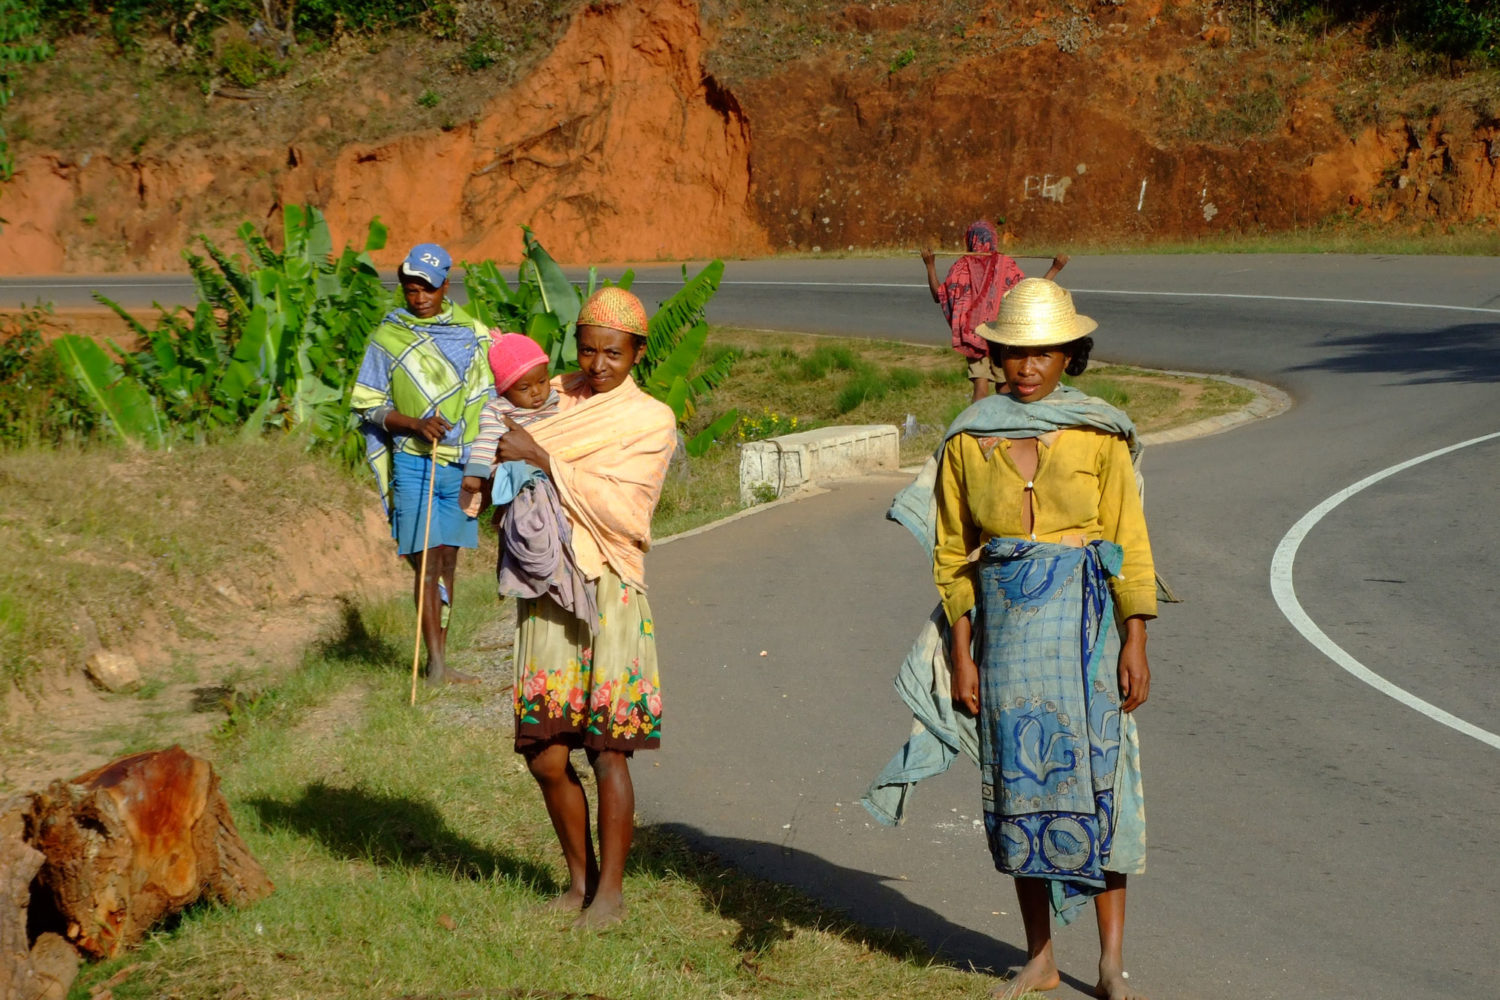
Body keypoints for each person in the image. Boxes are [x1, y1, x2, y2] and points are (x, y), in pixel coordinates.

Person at [873, 278, 1155, 1000]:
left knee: (1104, 789)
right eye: (1013, 353)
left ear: (1070, 355)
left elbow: (1130, 539)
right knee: (1020, 793)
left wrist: (1136, 640)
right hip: (1007, 644)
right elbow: (951, 553)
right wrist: (963, 654)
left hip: (1089, 636)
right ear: (996, 354)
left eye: (1043, 353)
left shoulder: (1101, 433)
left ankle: (1111, 962)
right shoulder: (969, 439)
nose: (1026, 368)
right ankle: (1040, 958)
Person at [492, 286, 676, 929]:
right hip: (548, 587)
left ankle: (611, 896)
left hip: (610, 586)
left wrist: (543, 457)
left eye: (615, 354)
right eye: (589, 350)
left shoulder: (651, 420)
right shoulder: (554, 397)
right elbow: (496, 436)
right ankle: (579, 881)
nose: (599, 366)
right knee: (544, 752)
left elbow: (630, 515)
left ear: (638, 354)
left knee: (607, 751)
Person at [351, 242, 494, 686]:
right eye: (411, 289)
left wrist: (484, 464)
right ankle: (432, 664)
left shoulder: (473, 334)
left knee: (448, 561)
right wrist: (412, 424)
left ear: (445, 286)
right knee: (425, 561)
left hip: (460, 465)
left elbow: (489, 399)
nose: (419, 298)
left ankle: (442, 660)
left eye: (428, 289)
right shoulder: (387, 338)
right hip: (414, 464)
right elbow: (366, 405)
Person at [921, 220, 1069, 402]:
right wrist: (1055, 269)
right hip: (1001, 336)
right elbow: (1029, 293)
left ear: (969, 240)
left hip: (973, 338)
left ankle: (976, 428)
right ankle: (1006, 427)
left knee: (980, 388)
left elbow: (940, 295)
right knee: (1006, 388)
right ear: (994, 239)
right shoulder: (1006, 265)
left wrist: (930, 265)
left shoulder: (961, 267)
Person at [459, 332, 561, 517]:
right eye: (524, 388)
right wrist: (475, 473)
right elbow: (487, 439)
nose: (536, 391)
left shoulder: (557, 399)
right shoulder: (500, 410)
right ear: (505, 390)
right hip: (521, 480)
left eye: (542, 381)